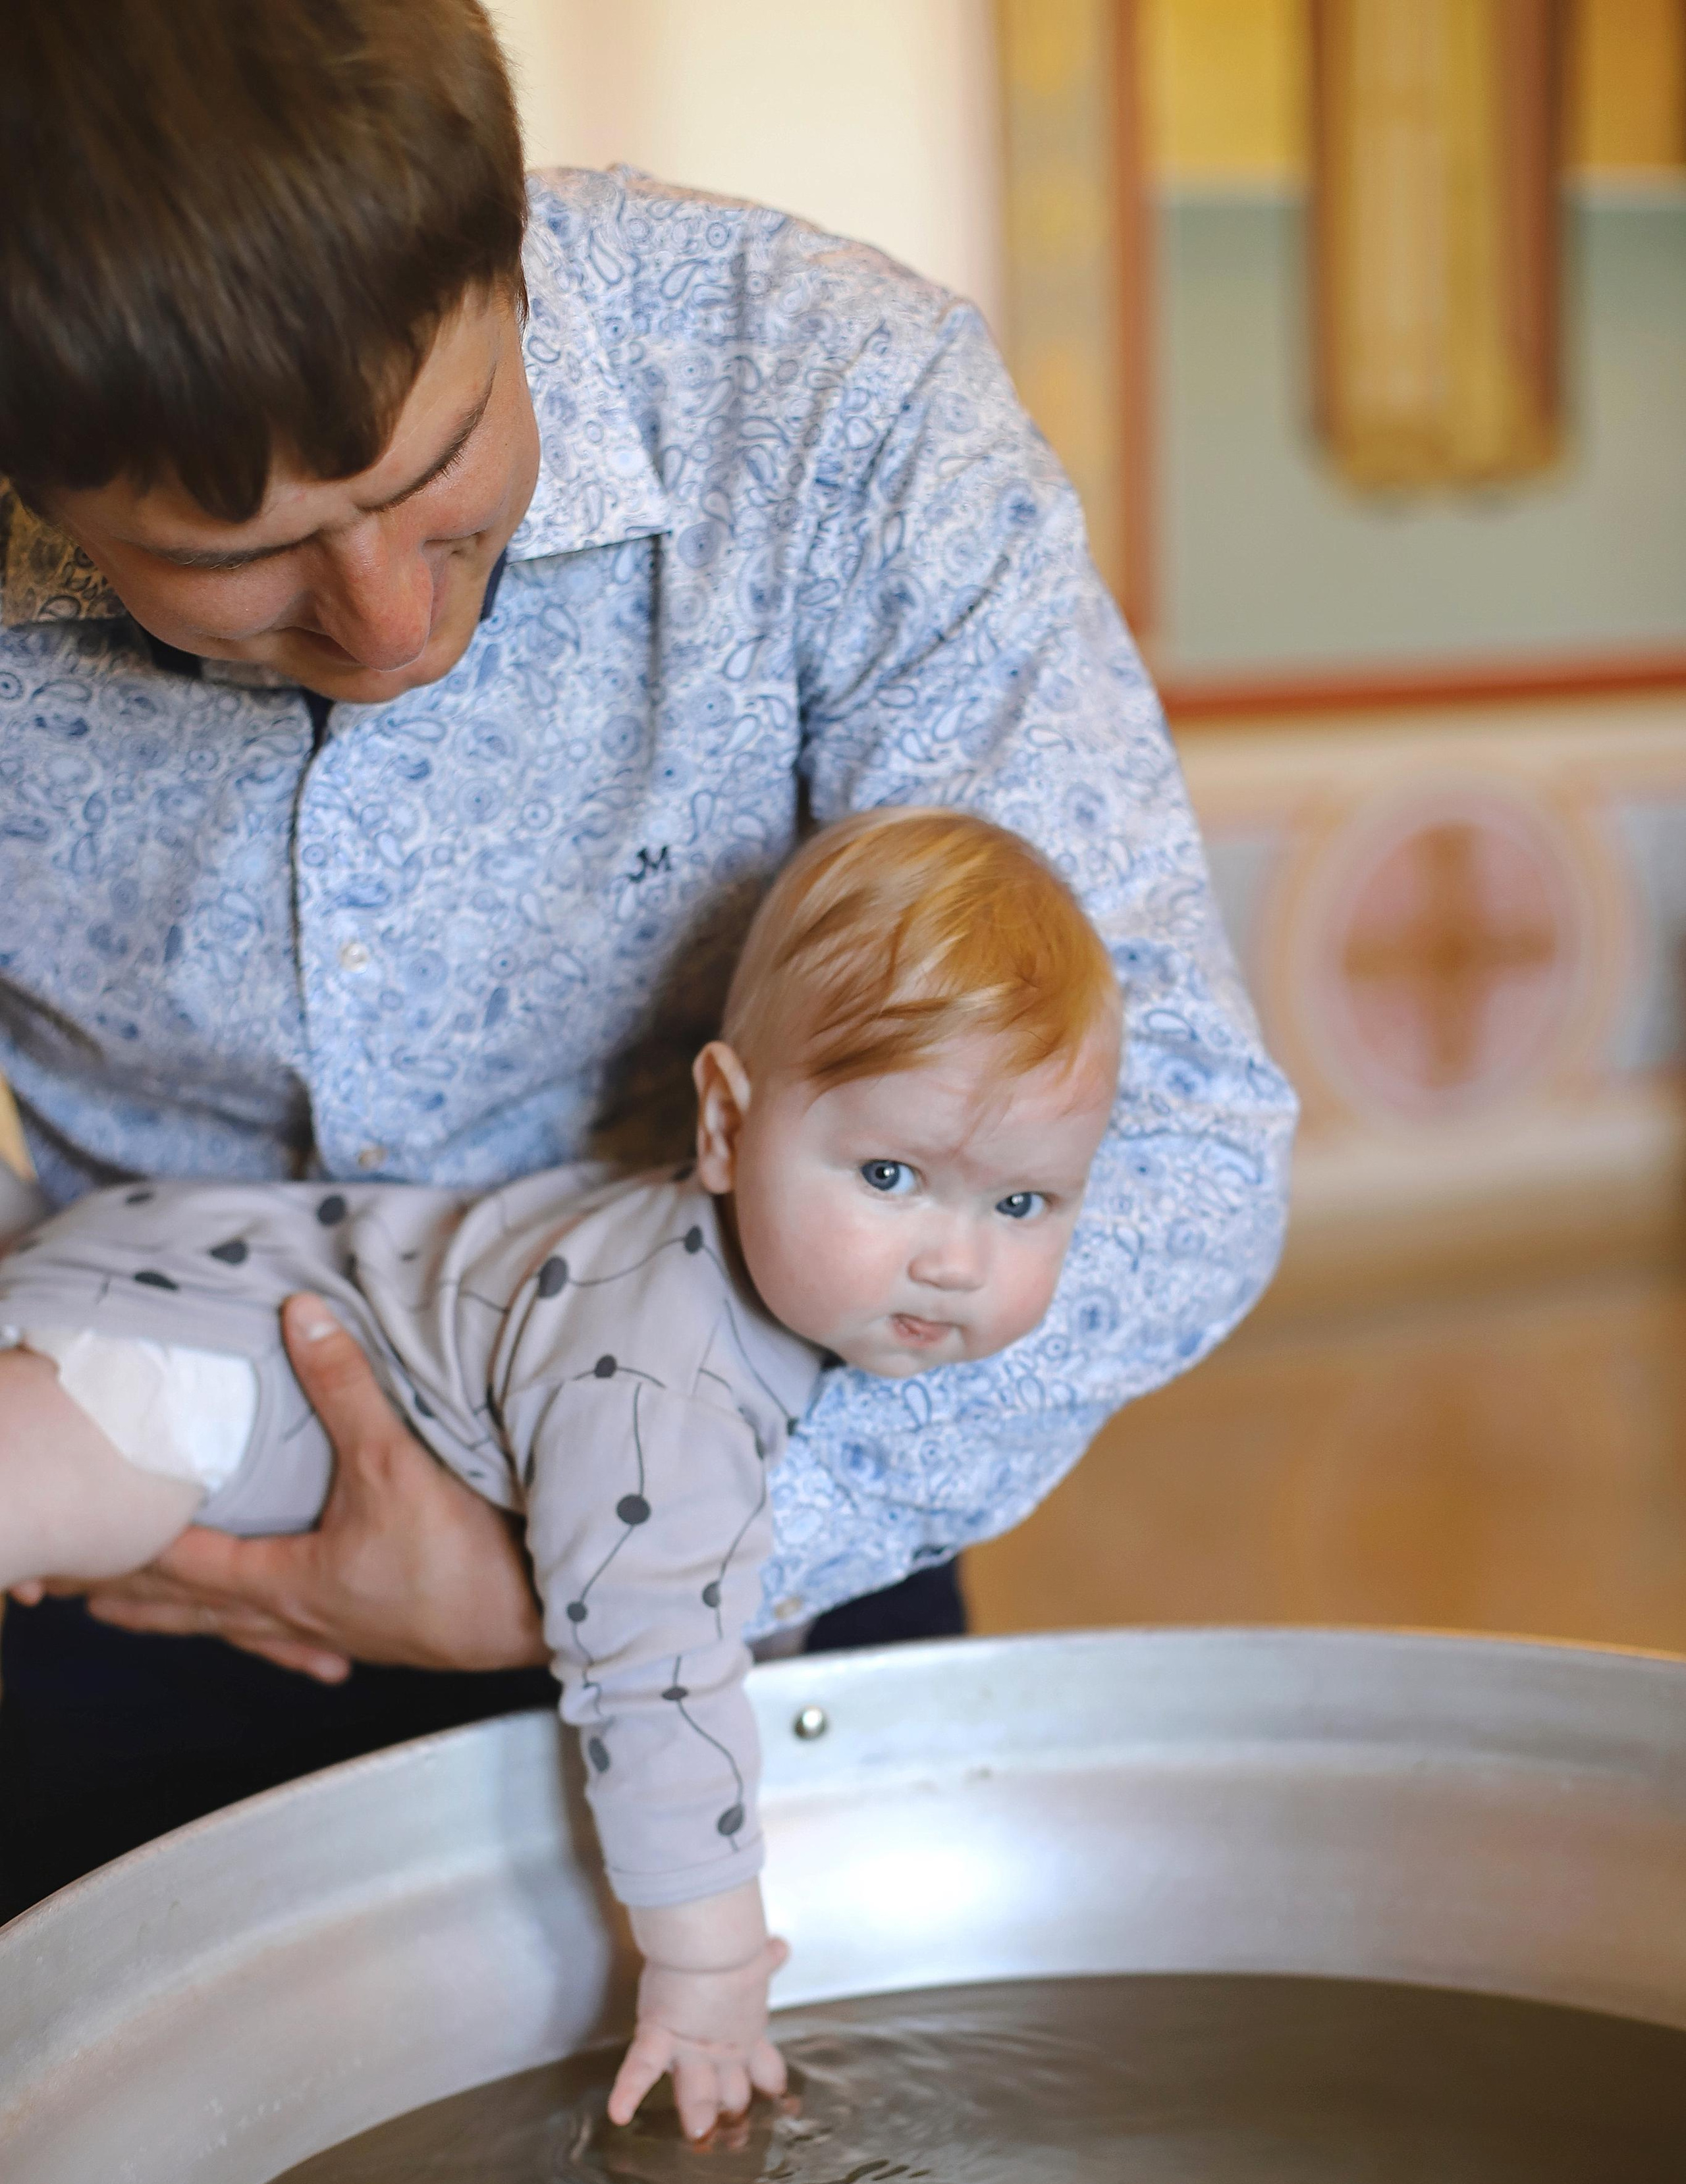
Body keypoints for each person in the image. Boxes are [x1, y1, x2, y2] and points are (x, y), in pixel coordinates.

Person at [0, 0, 1295, 1916]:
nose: (382, 623)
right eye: (235, 559)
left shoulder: (837, 404)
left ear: (509, 242)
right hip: (151, 1537)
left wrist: (608, 1570)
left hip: (767, 1486)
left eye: (437, 472)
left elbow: (1181, 1143)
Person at [0, 809, 1124, 2131]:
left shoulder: (752, 1267)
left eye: (1020, 1204)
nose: (956, 1258)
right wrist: (707, 1969)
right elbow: (655, 1675)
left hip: (217, 1257)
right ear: (723, 1127)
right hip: (212, 1357)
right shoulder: (666, 1386)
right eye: (890, 1174)